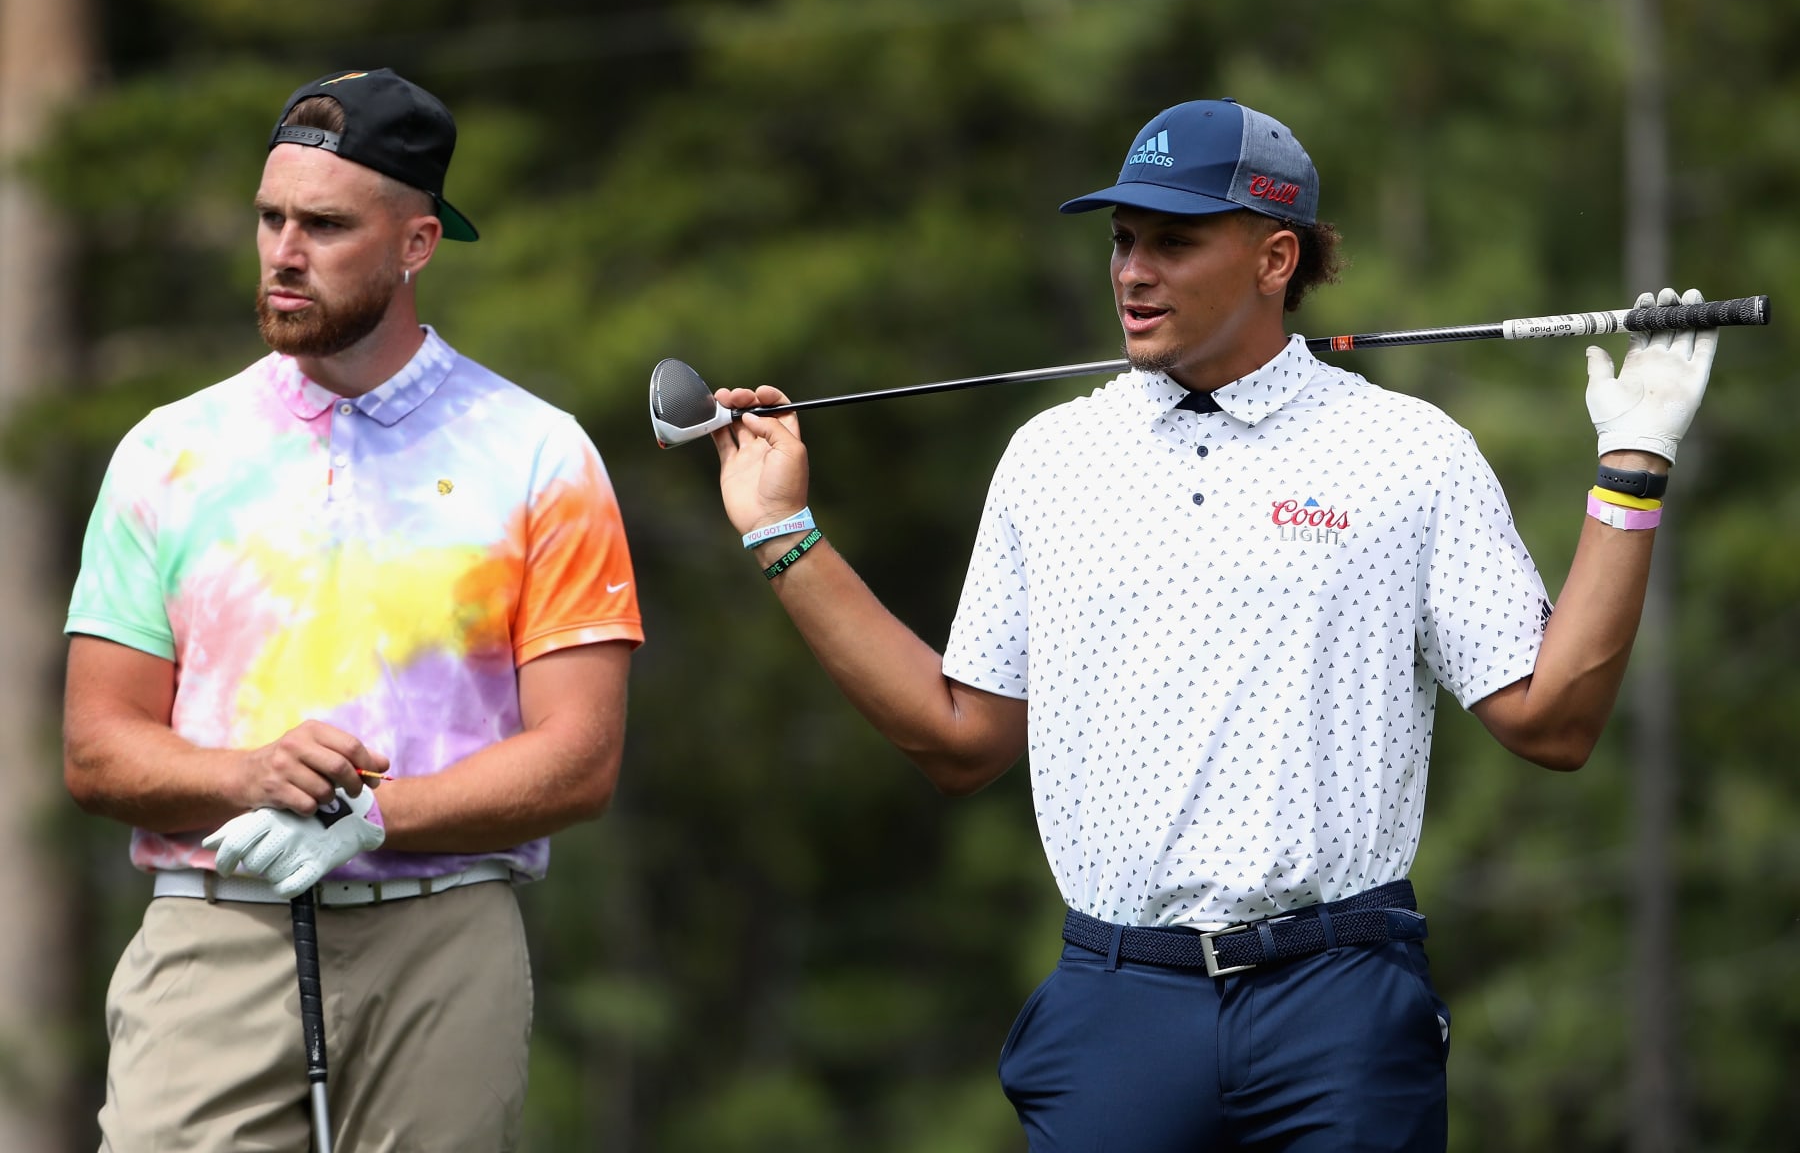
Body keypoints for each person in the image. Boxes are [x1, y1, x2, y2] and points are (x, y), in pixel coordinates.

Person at [705, 98, 1715, 1150]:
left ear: (1275, 257)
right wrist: (784, 532)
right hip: (1118, 1001)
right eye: (1122, 240)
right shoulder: (1050, 459)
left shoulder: (1410, 452)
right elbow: (963, 740)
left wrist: (1633, 464)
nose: (1133, 272)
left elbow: (1552, 723)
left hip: (1339, 1003)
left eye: (1174, 241)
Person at [62, 67, 643, 1151]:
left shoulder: (538, 454)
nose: (284, 253)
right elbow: (97, 750)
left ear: (417, 244)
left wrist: (373, 818)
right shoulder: (167, 451)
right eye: (271, 219)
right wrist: (246, 775)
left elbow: (581, 759)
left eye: (325, 226)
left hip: (445, 934)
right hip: (215, 931)